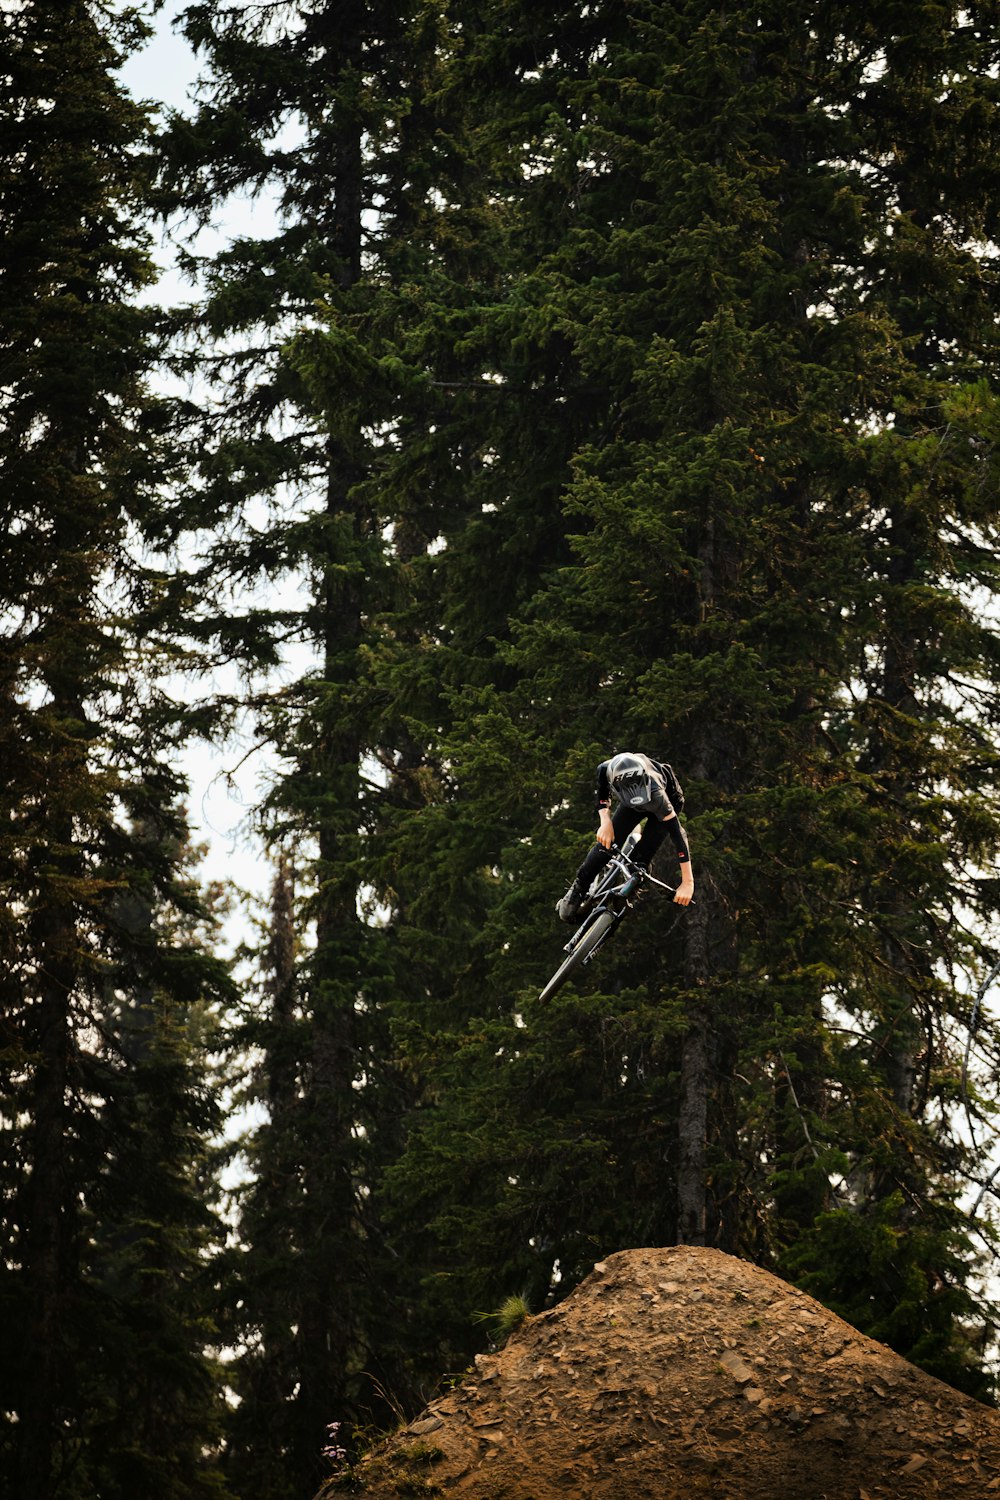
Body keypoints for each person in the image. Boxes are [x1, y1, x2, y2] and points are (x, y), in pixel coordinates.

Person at [556, 751, 694, 922]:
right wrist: (605, 822)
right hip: (631, 803)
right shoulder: (605, 770)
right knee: (605, 847)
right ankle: (577, 890)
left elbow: (678, 835)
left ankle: (633, 881)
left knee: (640, 862)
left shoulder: (658, 795)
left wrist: (688, 882)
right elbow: (602, 796)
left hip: (665, 800)